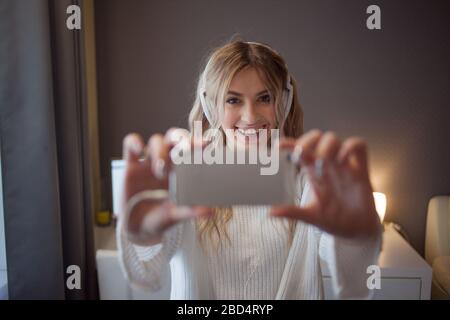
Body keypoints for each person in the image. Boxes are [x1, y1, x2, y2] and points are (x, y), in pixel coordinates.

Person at [117, 39, 382, 299]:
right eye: (233, 100)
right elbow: (146, 276)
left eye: (264, 98)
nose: (250, 116)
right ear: (212, 104)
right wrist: (144, 235)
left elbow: (354, 280)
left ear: (283, 102)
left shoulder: (306, 175)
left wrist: (355, 238)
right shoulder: (184, 170)